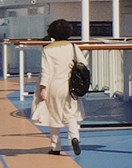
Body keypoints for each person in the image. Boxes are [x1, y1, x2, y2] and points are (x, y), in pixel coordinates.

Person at [32, 19, 89, 155]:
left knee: (53, 116)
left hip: (52, 87)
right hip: (69, 87)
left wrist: (43, 89)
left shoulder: (47, 49)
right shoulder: (73, 47)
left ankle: (55, 147)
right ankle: (74, 138)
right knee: (70, 114)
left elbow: (45, 71)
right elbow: (83, 63)